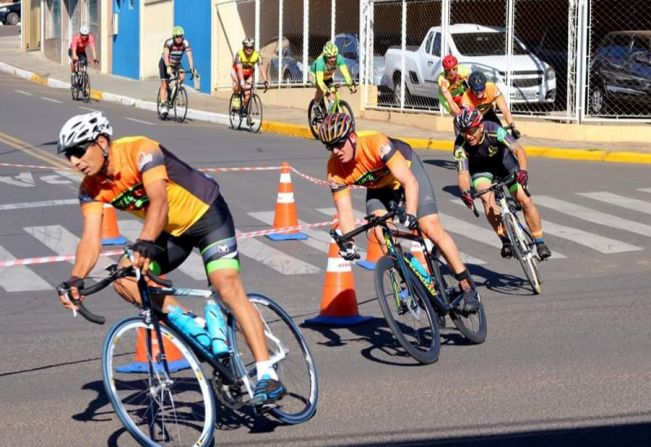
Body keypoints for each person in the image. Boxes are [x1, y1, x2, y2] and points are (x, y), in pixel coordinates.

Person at [54, 112, 286, 406]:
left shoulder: (141, 149)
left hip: (207, 217)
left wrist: (144, 243)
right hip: (171, 232)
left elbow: (159, 201)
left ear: (101, 142)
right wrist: (76, 278)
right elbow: (90, 240)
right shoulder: (90, 189)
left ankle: (268, 374)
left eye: (78, 151)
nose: (74, 162)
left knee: (226, 286)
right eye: (69, 156)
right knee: (125, 281)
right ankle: (196, 327)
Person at [320, 112, 480, 313]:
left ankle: (467, 286)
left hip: (408, 173)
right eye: (330, 147)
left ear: (352, 137)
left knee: (429, 226)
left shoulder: (376, 143)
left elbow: (410, 182)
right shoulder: (334, 169)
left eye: (339, 143)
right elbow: (345, 212)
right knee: (380, 231)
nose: (336, 151)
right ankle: (411, 282)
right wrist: (349, 243)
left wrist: (411, 214)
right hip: (380, 189)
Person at [453, 107, 551, 260]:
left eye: (471, 130)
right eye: (464, 131)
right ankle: (505, 240)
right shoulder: (460, 145)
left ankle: (540, 241)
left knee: (524, 199)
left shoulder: (494, 130)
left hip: (504, 163)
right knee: (486, 199)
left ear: (480, 126)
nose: (468, 135)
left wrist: (523, 171)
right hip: (481, 170)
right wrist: (465, 192)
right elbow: (463, 174)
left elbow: (519, 150)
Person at [458, 71, 521, 139]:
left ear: (485, 85)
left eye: (481, 89)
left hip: (488, 113)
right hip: (474, 119)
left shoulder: (492, 88)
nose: (479, 92)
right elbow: (467, 121)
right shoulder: (466, 98)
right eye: (476, 90)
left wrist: (513, 128)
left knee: (500, 135)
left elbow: (505, 110)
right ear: (471, 89)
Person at [309, 42, 357, 117]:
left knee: (332, 97)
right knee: (322, 90)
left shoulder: (340, 59)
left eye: (334, 56)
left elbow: (346, 74)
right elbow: (320, 81)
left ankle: (329, 115)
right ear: (325, 56)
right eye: (330, 57)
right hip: (315, 75)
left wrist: (351, 86)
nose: (332, 59)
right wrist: (326, 90)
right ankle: (315, 106)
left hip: (327, 76)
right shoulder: (320, 62)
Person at [158, 26, 197, 116]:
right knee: (164, 83)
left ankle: (174, 90)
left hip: (176, 63)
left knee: (182, 77)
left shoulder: (185, 43)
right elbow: (166, 55)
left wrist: (192, 68)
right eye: (177, 36)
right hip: (165, 62)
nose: (179, 38)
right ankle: (163, 104)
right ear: (174, 36)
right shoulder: (169, 42)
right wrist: (168, 66)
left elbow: (189, 55)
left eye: (181, 36)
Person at [230, 37, 269, 111]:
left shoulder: (257, 55)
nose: (249, 49)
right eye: (247, 47)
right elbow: (239, 69)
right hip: (236, 72)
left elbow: (261, 68)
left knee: (248, 94)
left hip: (248, 74)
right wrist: (241, 81)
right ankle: (235, 98)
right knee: (239, 83)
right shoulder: (239, 54)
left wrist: (265, 80)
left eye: (251, 47)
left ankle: (243, 108)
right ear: (244, 47)